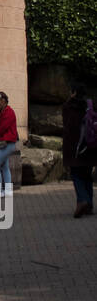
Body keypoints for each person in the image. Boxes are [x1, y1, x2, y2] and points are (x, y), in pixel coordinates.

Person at [62, 84, 97, 217]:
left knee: (76, 175)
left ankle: (83, 200)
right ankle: (89, 206)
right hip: (90, 145)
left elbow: (67, 126)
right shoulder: (91, 105)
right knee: (87, 175)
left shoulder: (68, 106)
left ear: (74, 92)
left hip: (75, 148)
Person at [0, 91, 18, 193]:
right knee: (5, 167)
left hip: (7, 142)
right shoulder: (4, 111)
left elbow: (3, 126)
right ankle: (7, 190)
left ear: (3, 101)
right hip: (7, 143)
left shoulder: (8, 112)